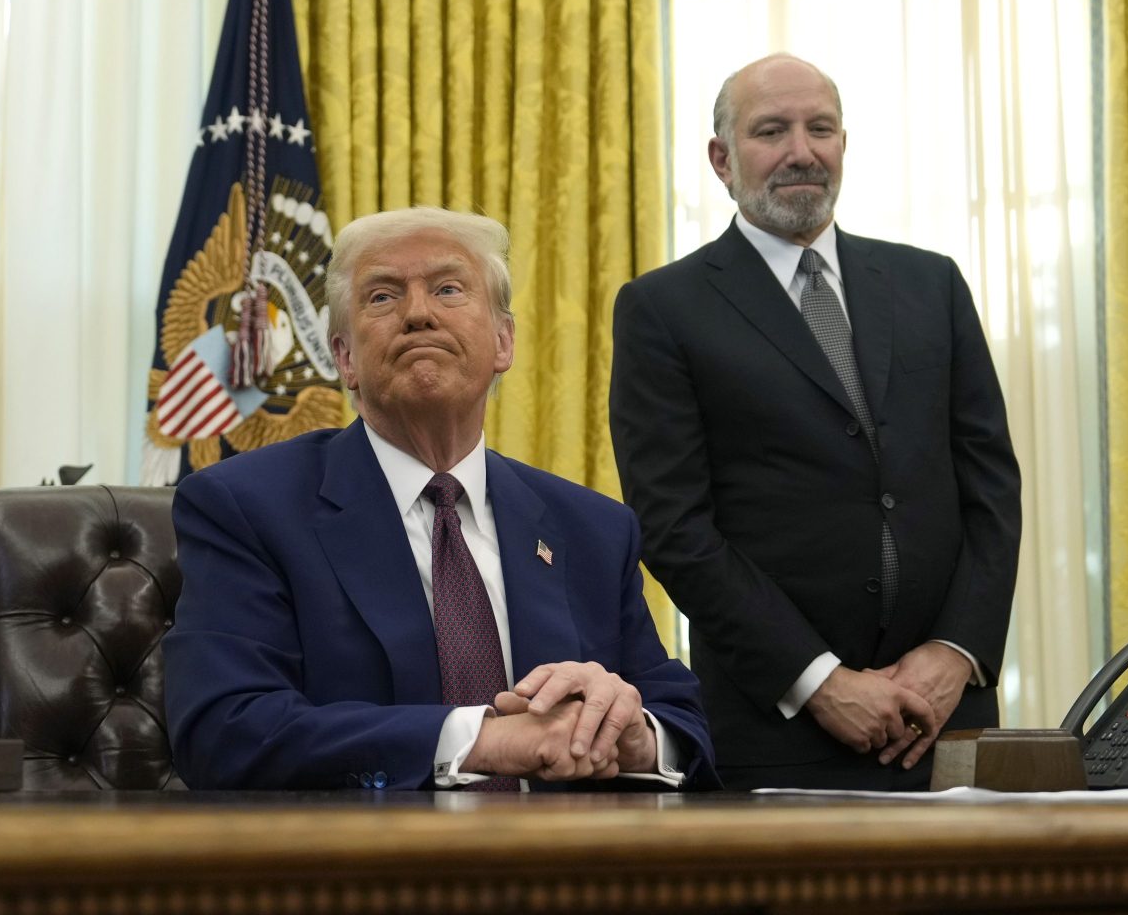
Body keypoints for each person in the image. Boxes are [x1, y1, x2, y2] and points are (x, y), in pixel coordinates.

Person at [165, 206, 718, 791]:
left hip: (560, 870)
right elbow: (224, 729)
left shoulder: (592, 529)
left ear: (504, 341)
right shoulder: (245, 507)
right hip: (361, 870)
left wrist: (631, 735)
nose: (418, 314)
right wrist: (481, 739)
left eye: (448, 289)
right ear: (345, 359)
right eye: (382, 297)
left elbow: (687, 728)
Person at [609, 54, 1021, 790]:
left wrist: (957, 651)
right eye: (772, 130)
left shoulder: (933, 284)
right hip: (779, 729)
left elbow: (991, 491)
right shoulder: (663, 310)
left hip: (948, 720)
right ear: (722, 159)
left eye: (820, 129)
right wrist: (819, 681)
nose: (802, 151)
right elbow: (674, 527)